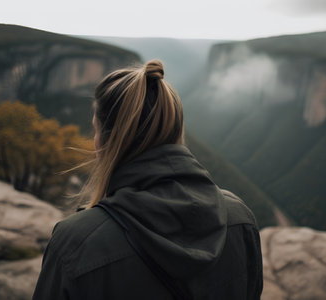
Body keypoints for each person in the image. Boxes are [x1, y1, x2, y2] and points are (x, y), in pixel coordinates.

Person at [32, 60, 263, 300]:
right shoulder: (239, 220)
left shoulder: (76, 244)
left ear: (108, 141)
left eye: (95, 129)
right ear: (177, 133)